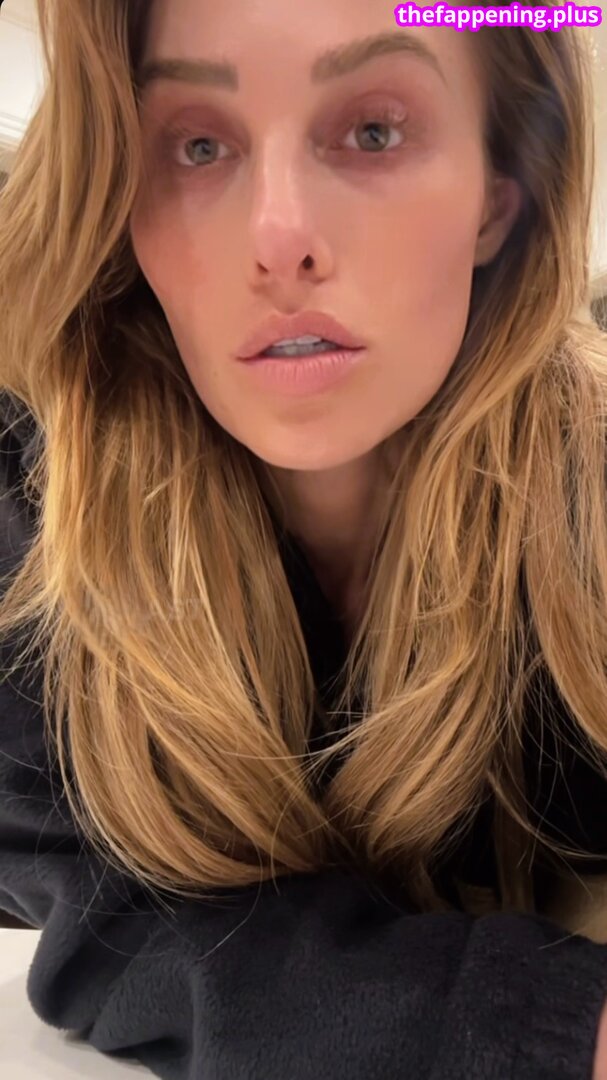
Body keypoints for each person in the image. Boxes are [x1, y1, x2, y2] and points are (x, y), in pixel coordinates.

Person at [1, 0, 607, 1075]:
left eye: (372, 131)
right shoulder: (35, 495)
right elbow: (116, 918)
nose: (278, 240)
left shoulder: (585, 492)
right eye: (197, 146)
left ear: (499, 195)